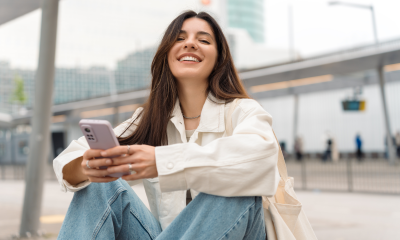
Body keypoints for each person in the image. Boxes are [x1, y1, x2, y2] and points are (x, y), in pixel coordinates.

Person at [53, 11, 279, 239]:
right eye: (179, 39)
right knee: (97, 183)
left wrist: (163, 162)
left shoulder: (243, 111)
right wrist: (87, 167)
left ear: (219, 58)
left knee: (237, 183)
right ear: (167, 54)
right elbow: (68, 158)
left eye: (203, 40)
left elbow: (262, 161)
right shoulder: (151, 119)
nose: (190, 43)